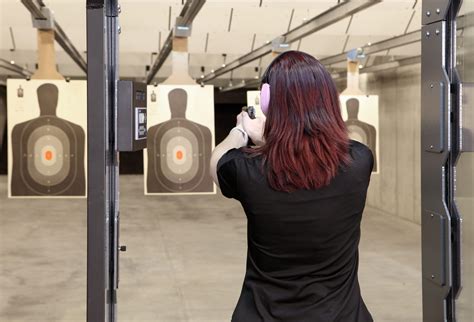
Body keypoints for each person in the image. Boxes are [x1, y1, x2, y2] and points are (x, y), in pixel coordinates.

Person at [210, 51, 374, 322]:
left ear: (267, 100)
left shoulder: (248, 171)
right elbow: (310, 162)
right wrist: (274, 143)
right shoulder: (360, 159)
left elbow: (217, 163)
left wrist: (241, 132)